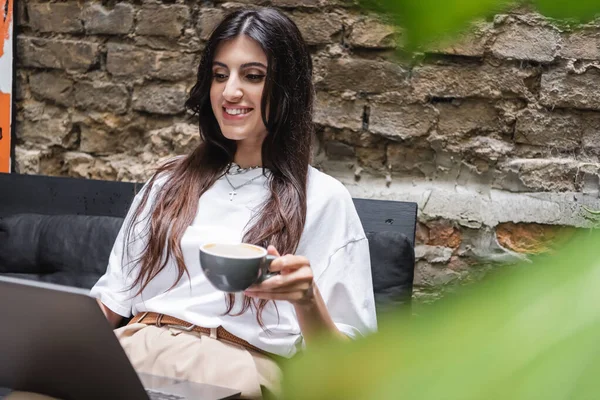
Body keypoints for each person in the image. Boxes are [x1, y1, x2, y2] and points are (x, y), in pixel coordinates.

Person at [7, 7, 377, 400]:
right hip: (137, 346)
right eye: (220, 75)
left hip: (237, 364)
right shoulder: (168, 181)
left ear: (287, 87)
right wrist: (38, 346)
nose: (230, 91)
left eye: (252, 76)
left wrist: (307, 298)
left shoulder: (324, 199)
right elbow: (112, 300)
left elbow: (346, 371)